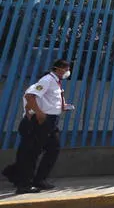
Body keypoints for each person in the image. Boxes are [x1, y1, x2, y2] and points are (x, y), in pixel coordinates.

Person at [2, 60, 72, 194]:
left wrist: (61, 107)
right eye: (67, 69)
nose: (68, 72)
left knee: (53, 148)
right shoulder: (47, 80)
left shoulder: (56, 82)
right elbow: (29, 96)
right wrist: (39, 113)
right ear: (59, 69)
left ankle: (36, 179)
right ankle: (24, 185)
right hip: (40, 121)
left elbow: (48, 100)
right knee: (31, 153)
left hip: (50, 121)